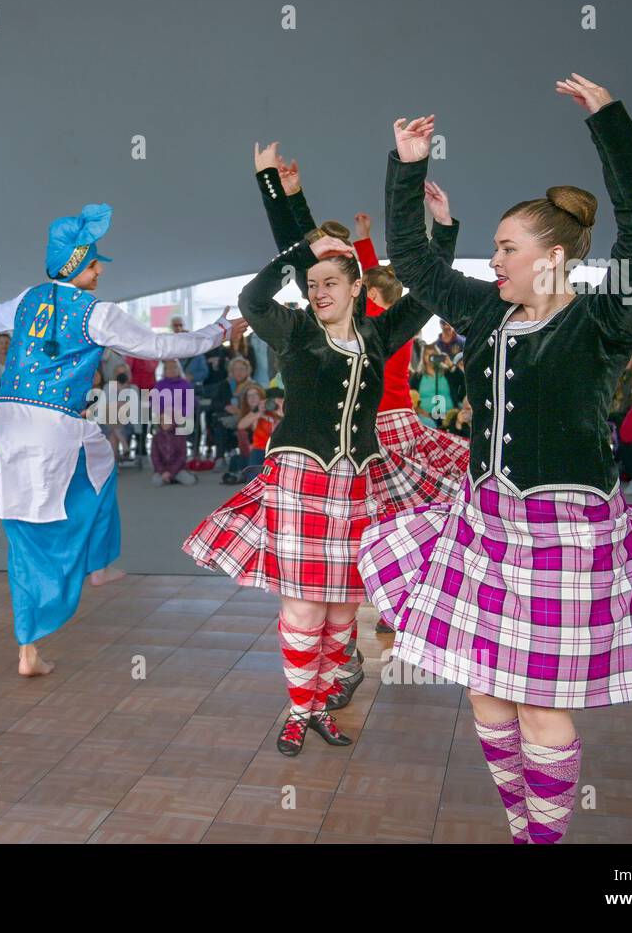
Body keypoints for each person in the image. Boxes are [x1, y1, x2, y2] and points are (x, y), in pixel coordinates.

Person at [357, 78, 632, 844]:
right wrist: (406, 167)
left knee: (540, 703)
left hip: (567, 537)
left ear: (556, 256)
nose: (495, 258)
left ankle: (544, 838)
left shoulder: (607, 317)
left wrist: (610, 124)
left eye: (508, 248)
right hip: (486, 526)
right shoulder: (484, 311)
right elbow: (411, 256)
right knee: (485, 697)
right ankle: (522, 827)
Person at [185, 148, 438, 757]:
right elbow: (253, 300)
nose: (319, 289)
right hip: (300, 479)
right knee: (303, 609)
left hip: (358, 484)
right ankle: (298, 711)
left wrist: (443, 230)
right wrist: (285, 209)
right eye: (313, 283)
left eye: (332, 281)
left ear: (358, 287)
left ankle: (323, 704)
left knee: (342, 613)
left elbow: (429, 294)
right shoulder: (296, 330)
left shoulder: (379, 332)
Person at [0, 203, 239, 678]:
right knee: (59, 510)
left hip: (9, 419)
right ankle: (83, 575)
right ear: (76, 264)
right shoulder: (97, 313)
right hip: (53, 422)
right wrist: (219, 331)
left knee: (43, 505)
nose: (100, 270)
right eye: (95, 262)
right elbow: (162, 348)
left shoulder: (28, 299)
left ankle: (40, 634)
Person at [259, 144, 470, 534]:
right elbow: (419, 283)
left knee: (367, 520)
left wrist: (285, 193)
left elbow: (306, 256)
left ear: (363, 292)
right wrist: (441, 231)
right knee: (406, 517)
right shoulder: (388, 320)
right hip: (402, 424)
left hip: (370, 429)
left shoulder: (367, 322)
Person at [150, 413, 197, 486]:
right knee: (155, 482)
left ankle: (171, 477)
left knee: (190, 481)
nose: (164, 423)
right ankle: (170, 478)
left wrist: (171, 472)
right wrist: (162, 471)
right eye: (161, 420)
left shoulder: (180, 435)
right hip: (163, 469)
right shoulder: (156, 437)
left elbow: (182, 457)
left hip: (178, 469)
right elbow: (155, 457)